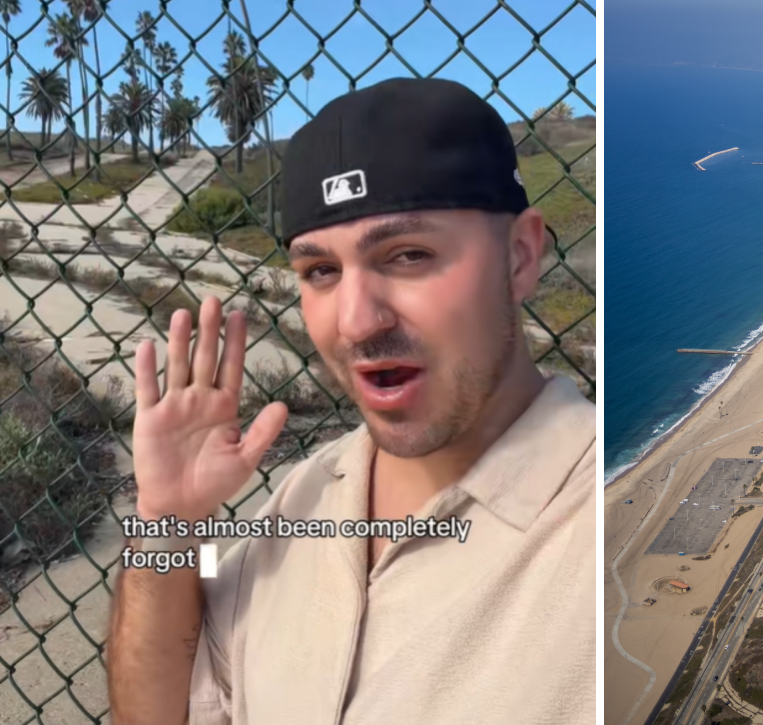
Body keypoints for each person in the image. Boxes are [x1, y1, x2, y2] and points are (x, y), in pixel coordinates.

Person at [106, 78, 596, 725]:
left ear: (520, 257)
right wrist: (167, 524)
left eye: (409, 255)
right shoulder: (301, 496)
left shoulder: (601, 531)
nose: (357, 322)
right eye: (321, 272)